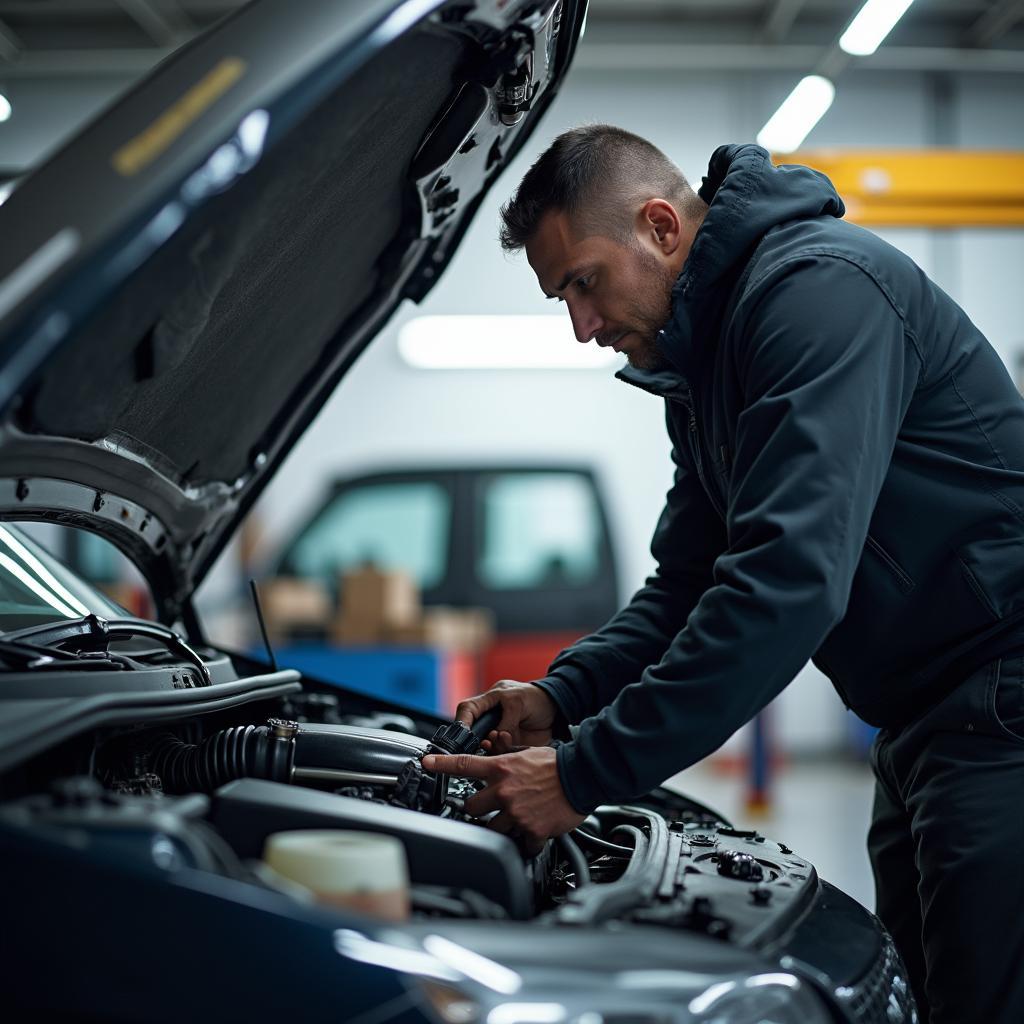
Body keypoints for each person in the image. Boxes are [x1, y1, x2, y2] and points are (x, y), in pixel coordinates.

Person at [421, 125, 1024, 1023]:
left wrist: (583, 775)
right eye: (562, 298)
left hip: (1003, 701)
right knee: (920, 1000)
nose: (581, 326)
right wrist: (561, 696)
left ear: (661, 226)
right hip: (926, 720)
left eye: (583, 282)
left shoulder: (818, 294)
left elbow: (786, 581)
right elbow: (690, 583)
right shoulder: (702, 371)